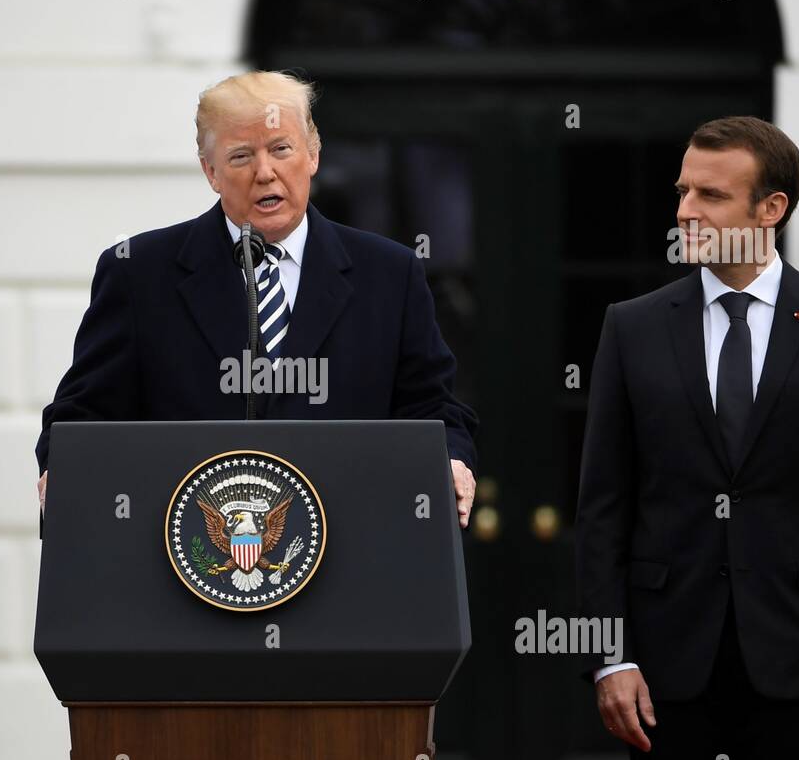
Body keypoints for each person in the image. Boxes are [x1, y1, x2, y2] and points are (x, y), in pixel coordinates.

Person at [575, 116, 799, 760]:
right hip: (664, 669)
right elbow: (603, 508)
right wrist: (611, 656)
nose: (685, 210)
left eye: (710, 196)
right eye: (682, 190)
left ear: (770, 209)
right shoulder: (631, 327)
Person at [35, 70, 477, 524]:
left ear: (313, 154)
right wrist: (64, 465)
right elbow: (83, 414)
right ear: (211, 171)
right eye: (241, 156)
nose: (264, 172)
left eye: (281, 149)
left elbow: (433, 407)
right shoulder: (138, 273)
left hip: (350, 545)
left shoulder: (389, 273)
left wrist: (451, 459)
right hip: (190, 552)